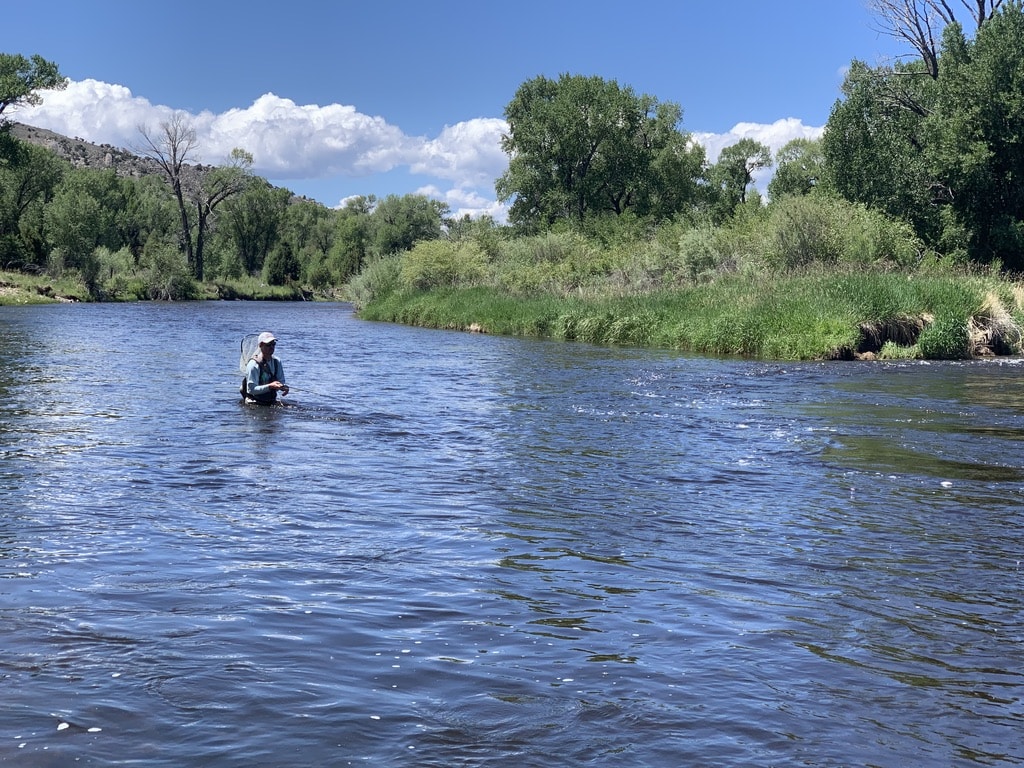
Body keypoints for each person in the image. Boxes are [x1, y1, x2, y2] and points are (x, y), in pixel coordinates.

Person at [242, 331, 289, 404]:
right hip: (254, 402)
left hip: (270, 400)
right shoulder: (253, 365)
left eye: (273, 344)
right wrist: (270, 386)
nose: (271, 347)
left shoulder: (277, 361)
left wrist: (283, 387)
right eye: (268, 345)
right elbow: (251, 390)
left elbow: (281, 381)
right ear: (260, 345)